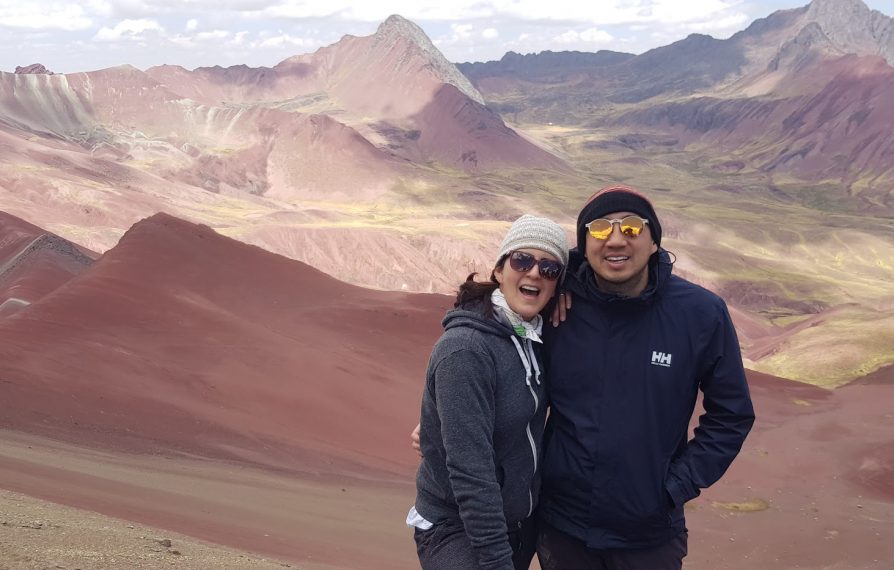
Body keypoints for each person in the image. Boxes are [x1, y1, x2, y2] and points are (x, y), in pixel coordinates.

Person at [536, 184, 755, 569]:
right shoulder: (557, 305)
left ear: (654, 241)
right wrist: (445, 416)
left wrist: (674, 487)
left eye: (633, 227)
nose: (616, 240)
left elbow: (731, 414)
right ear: (585, 245)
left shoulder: (701, 314)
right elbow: (495, 323)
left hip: (649, 537)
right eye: (600, 229)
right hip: (563, 528)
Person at [408, 214, 569, 570]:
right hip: (459, 527)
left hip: (516, 524)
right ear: (499, 270)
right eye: (522, 260)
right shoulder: (466, 350)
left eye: (550, 268)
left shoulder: (534, 336)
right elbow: (471, 472)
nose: (534, 273)